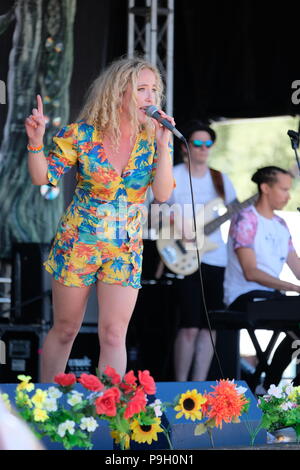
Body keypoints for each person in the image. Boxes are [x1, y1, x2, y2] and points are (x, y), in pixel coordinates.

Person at [25, 56, 175, 382]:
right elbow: (44, 177)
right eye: (142, 89)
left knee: (113, 334)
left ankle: (108, 413)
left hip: (125, 245)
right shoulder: (81, 135)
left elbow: (162, 194)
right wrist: (35, 143)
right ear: (118, 92)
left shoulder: (153, 140)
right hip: (79, 240)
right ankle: (43, 404)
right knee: (66, 328)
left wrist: (164, 147)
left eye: (154, 90)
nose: (151, 98)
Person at [167, 120, 237, 381]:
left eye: (208, 144)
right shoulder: (173, 174)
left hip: (215, 257)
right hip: (183, 255)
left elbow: (235, 212)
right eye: (198, 143)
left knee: (210, 326)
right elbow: (154, 209)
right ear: (186, 147)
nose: (203, 148)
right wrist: (175, 222)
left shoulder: (220, 178)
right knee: (188, 326)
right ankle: (180, 385)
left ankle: (201, 385)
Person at [224, 166, 300, 392]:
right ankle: (272, 387)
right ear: (265, 188)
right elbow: (251, 272)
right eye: (284, 189)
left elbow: (296, 266)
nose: (288, 195)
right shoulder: (246, 219)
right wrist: (294, 287)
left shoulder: (280, 224)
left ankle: (271, 387)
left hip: (270, 298)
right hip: (244, 297)